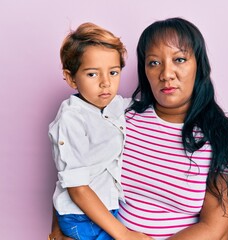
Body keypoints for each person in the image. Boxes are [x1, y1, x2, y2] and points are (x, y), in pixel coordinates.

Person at [50, 17, 228, 240]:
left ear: (199, 65)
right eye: (154, 62)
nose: (166, 74)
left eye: (180, 59)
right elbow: (73, 169)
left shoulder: (223, 136)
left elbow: (216, 231)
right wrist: (58, 233)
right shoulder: (121, 116)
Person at [48, 22, 152, 240]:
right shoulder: (71, 119)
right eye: (93, 74)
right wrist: (124, 234)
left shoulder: (116, 106)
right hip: (80, 215)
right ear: (70, 78)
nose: (106, 83)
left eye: (113, 72)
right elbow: (77, 188)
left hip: (107, 209)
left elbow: (151, 107)